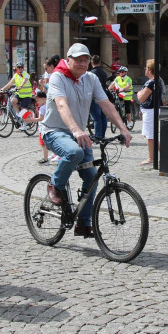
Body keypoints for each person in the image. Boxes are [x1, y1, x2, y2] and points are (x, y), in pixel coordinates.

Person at [42, 43, 131, 238]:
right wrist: (75, 130)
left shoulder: (90, 79)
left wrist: (123, 129)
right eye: (78, 59)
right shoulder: (58, 77)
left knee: (91, 178)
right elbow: (62, 105)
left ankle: (83, 223)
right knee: (75, 152)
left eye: (86, 60)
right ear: (69, 59)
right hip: (54, 131)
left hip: (78, 134)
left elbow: (106, 104)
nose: (83, 63)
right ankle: (55, 185)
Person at [135, 58, 162, 166]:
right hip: (148, 110)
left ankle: (151, 157)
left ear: (150, 69)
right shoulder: (152, 82)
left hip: (151, 111)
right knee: (149, 135)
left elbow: (141, 97)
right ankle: (165, 153)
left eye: (146, 68)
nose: (145, 70)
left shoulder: (152, 83)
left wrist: (139, 94)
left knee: (150, 135)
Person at [1, 61, 34, 126]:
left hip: (27, 95)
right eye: (19, 67)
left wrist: (20, 86)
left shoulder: (26, 74)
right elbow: (10, 83)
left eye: (21, 67)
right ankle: (18, 114)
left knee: (23, 109)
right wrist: (3, 89)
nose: (20, 69)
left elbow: (24, 82)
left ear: (23, 68)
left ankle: (25, 124)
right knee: (13, 101)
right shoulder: (15, 75)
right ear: (17, 68)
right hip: (19, 93)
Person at [88, 54, 111, 138]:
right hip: (103, 96)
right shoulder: (104, 73)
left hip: (94, 97)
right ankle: (102, 135)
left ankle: (98, 136)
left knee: (96, 118)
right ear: (100, 62)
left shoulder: (91, 74)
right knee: (102, 117)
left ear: (91, 62)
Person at [25, 90, 51, 163]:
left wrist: (32, 119)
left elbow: (40, 118)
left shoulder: (42, 108)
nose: (37, 102)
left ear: (43, 99)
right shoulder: (49, 105)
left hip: (43, 129)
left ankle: (45, 158)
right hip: (49, 127)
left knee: (43, 144)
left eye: (38, 100)